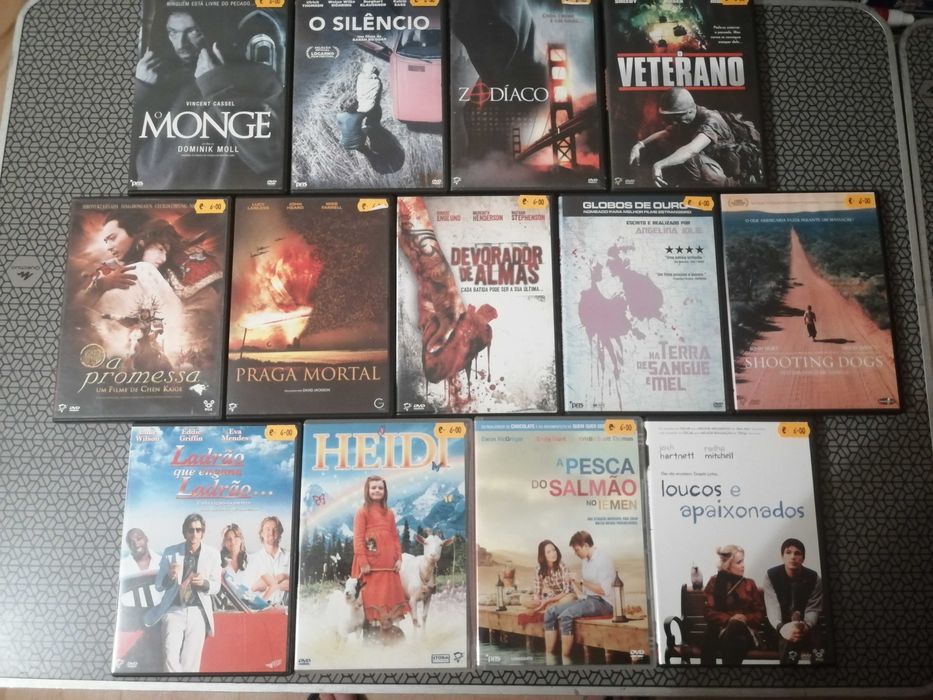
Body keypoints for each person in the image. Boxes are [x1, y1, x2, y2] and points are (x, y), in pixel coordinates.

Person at [132, 8, 284, 189]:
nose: (181, 44)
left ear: (214, 29)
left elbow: (269, 157)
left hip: (222, 199)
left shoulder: (259, 76)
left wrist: (216, 85)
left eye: (193, 32)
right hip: (152, 195)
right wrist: (140, 87)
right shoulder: (156, 76)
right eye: (172, 32)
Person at [628, 87, 759, 187]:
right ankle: (692, 182)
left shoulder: (711, 120)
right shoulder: (688, 117)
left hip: (729, 168)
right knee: (672, 145)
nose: (673, 121)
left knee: (689, 156)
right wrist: (639, 145)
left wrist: (659, 165)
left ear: (690, 111)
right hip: (711, 158)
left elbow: (691, 150)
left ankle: (731, 185)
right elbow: (665, 133)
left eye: (677, 116)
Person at [151, 513, 221, 672]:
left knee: (191, 663)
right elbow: (158, 585)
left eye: (198, 530)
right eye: (190, 530)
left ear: (203, 533)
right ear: (184, 533)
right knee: (169, 657)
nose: (194, 534)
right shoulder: (170, 552)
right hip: (174, 610)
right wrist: (169, 576)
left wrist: (204, 583)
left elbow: (217, 586)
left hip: (198, 612)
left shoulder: (212, 554)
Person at [542, 531, 616, 665]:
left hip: (605, 603)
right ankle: (550, 660)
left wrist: (581, 581)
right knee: (550, 612)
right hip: (589, 599)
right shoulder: (585, 561)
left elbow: (604, 590)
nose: (576, 553)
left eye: (577, 550)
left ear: (586, 545)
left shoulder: (603, 560)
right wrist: (573, 581)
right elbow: (584, 592)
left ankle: (566, 661)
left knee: (566, 616)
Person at [351, 476, 410, 636]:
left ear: (385, 491)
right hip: (370, 567)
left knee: (387, 600)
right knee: (371, 599)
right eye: (373, 488)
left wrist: (399, 559)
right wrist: (363, 562)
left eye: (380, 488)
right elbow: (358, 539)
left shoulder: (389, 513)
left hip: (388, 566)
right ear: (367, 490)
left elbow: (395, 538)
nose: (377, 490)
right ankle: (370, 637)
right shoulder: (362, 512)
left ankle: (388, 636)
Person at [700, 544, 765, 666]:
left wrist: (745, 618)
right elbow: (708, 611)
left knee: (735, 628)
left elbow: (759, 613)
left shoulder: (749, 584)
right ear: (727, 564)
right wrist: (729, 619)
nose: (743, 565)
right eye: (739, 562)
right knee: (715, 632)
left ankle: (727, 674)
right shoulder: (715, 582)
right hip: (720, 631)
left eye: (743, 561)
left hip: (744, 633)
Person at [762, 538, 824, 664]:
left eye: (797, 553)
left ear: (803, 558)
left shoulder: (814, 578)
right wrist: (782, 628)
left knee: (820, 650)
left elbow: (813, 608)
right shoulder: (771, 575)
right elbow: (772, 606)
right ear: (782, 556)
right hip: (780, 627)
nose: (793, 557)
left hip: (807, 626)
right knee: (789, 642)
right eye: (788, 552)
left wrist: (806, 626)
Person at [520, 540, 576, 613]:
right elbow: (537, 592)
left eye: (554, 550)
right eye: (549, 552)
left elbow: (566, 591)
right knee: (523, 599)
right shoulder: (539, 569)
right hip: (552, 597)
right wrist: (538, 602)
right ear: (543, 555)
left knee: (570, 599)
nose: (553, 553)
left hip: (565, 596)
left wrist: (547, 601)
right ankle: (550, 607)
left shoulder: (562, 566)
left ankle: (549, 607)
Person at [248, 515, 290, 606]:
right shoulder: (253, 559)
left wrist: (268, 582)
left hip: (285, 609)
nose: (271, 532)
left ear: (279, 533)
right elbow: (254, 587)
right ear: (261, 533)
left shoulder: (289, 556)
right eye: (267, 529)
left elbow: (293, 584)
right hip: (261, 609)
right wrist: (281, 577)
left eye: (275, 529)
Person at [119, 528, 163, 608]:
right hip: (132, 612)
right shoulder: (123, 566)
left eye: (139, 539)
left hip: (161, 612)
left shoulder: (162, 561)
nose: (136, 544)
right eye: (131, 542)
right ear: (128, 546)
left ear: (146, 539)